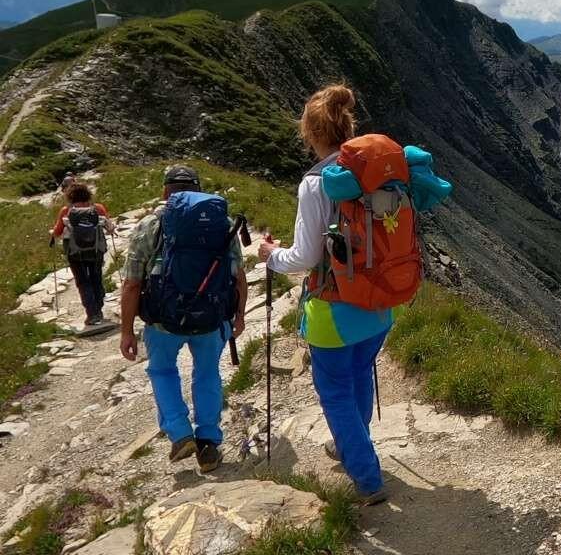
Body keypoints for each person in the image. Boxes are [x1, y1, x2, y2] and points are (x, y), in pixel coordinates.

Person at [258, 85, 397, 505]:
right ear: (347, 126)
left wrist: (270, 255)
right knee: (358, 374)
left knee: (334, 390)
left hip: (333, 308)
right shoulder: (374, 171)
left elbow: (304, 257)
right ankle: (350, 444)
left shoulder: (315, 183)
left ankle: (367, 477)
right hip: (379, 302)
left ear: (310, 133)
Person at [119, 165, 247, 473]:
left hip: (164, 320)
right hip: (212, 317)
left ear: (166, 192)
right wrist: (239, 316)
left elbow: (132, 283)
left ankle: (179, 433)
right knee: (207, 373)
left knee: (162, 370)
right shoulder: (221, 223)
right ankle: (208, 443)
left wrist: (127, 331)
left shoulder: (151, 224)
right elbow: (238, 275)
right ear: (198, 191)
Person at [50, 182, 115, 328]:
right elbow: (110, 228)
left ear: (70, 196)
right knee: (96, 279)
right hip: (96, 250)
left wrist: (52, 233)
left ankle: (92, 314)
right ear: (88, 194)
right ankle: (98, 310)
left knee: (83, 282)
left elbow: (57, 232)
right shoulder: (98, 208)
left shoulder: (66, 210)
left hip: (75, 252)